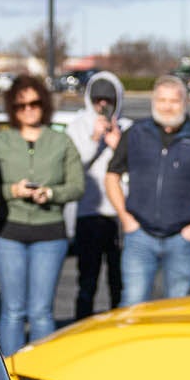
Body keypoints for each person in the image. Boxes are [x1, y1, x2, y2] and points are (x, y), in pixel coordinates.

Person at [105, 75, 190, 305]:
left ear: (185, 103)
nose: (167, 106)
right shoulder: (136, 133)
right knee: (132, 304)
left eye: (173, 101)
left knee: (177, 308)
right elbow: (111, 175)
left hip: (182, 239)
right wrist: (125, 218)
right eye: (161, 100)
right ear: (153, 102)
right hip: (140, 237)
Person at [0, 76, 83, 354]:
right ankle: (12, 377)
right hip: (9, 234)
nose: (29, 109)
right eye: (21, 105)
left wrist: (51, 194)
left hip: (49, 234)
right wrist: (12, 190)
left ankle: (41, 373)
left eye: (35, 103)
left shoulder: (61, 142)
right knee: (13, 310)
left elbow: (77, 186)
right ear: (12, 107)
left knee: (41, 312)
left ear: (45, 105)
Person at [67, 72, 127, 317]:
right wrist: (94, 140)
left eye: (108, 100)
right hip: (88, 214)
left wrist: (118, 147)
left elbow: (134, 173)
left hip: (119, 215)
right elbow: (72, 168)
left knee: (119, 283)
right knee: (87, 282)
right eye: (97, 99)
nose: (102, 105)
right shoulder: (77, 126)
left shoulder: (128, 128)